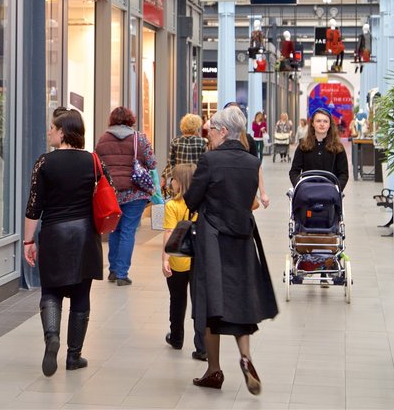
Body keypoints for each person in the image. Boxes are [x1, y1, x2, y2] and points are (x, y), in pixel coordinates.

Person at [183, 106, 278, 395]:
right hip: (242, 236)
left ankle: (213, 370)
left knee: (212, 302)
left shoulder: (211, 160)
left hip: (212, 237)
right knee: (239, 300)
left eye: (211, 129)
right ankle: (246, 358)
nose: (208, 134)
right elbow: (250, 201)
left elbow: (191, 199)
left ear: (223, 132)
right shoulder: (252, 162)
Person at [24, 109, 107, 377]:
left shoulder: (44, 163)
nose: (49, 131)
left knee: (51, 290)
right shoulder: (93, 161)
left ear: (62, 132)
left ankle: (52, 339)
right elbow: (108, 191)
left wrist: (28, 241)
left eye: (52, 127)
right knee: (82, 295)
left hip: (54, 233)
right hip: (85, 234)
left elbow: (33, 207)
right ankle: (74, 356)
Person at [95, 107, 157, 286]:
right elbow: (152, 163)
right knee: (128, 231)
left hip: (111, 193)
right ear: (131, 120)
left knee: (114, 229)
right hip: (135, 192)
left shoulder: (103, 139)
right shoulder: (139, 138)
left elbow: (98, 163)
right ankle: (122, 273)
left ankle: (113, 270)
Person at [161, 163, 206, 361]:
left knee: (177, 299)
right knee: (199, 301)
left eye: (173, 179)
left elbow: (169, 233)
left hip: (178, 258)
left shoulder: (172, 205)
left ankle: (177, 337)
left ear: (179, 182)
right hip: (198, 258)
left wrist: (165, 258)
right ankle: (201, 344)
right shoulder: (201, 203)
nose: (171, 182)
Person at [289, 108, 349, 191]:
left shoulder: (338, 147)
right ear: (313, 124)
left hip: (330, 193)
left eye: (325, 121)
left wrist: (337, 188)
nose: (322, 124)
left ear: (330, 125)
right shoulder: (303, 145)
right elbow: (294, 171)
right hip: (307, 192)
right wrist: (300, 187)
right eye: (318, 121)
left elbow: (343, 173)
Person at [160, 113, 208, 198]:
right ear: (196, 126)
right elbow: (205, 164)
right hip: (195, 181)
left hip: (178, 181)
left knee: (178, 205)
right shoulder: (202, 142)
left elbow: (171, 164)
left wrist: (164, 178)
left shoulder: (175, 141)